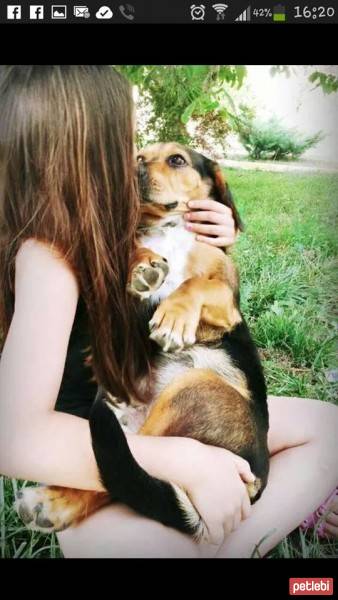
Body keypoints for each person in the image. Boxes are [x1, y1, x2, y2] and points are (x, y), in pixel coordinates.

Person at [0, 65, 337, 559]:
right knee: (144, 550)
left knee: (326, 425)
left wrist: (212, 235)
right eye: (128, 142)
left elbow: (183, 283)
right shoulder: (47, 255)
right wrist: (183, 460)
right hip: (95, 456)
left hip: (167, 405)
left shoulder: (107, 224)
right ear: (91, 146)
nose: (139, 164)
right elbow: (13, 437)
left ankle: (242, 514)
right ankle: (242, 520)